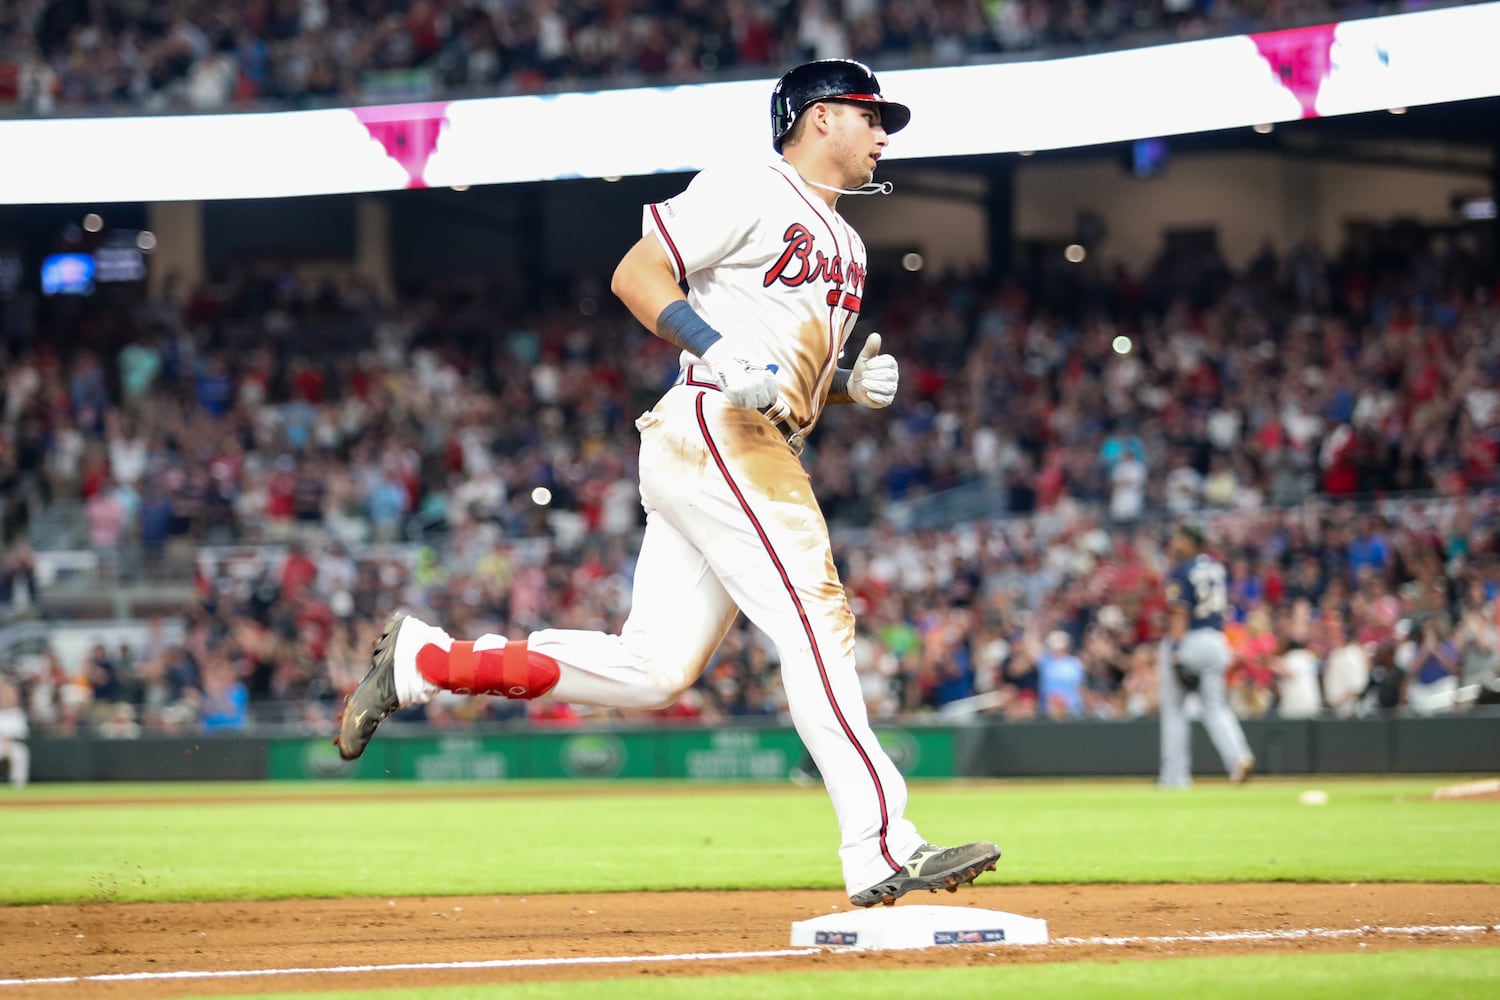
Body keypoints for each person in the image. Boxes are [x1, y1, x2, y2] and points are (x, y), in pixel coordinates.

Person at [335, 59, 1000, 907]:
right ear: (821, 118)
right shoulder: (751, 184)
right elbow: (637, 273)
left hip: (751, 437)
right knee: (816, 614)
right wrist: (715, 347)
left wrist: (841, 388)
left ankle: (429, 662)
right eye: (872, 116)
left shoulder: (853, 243)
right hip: (720, 426)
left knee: (654, 671)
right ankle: (879, 844)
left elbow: (781, 364)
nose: (883, 134)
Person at [1157, 524, 1255, 788]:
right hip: (1216, 640)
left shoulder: (1182, 569)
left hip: (1190, 639)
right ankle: (1239, 757)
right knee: (1215, 707)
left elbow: (1180, 612)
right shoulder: (1216, 569)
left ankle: (1175, 778)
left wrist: (1176, 651)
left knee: (1175, 711)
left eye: (1179, 538)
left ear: (1191, 542)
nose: (1174, 542)